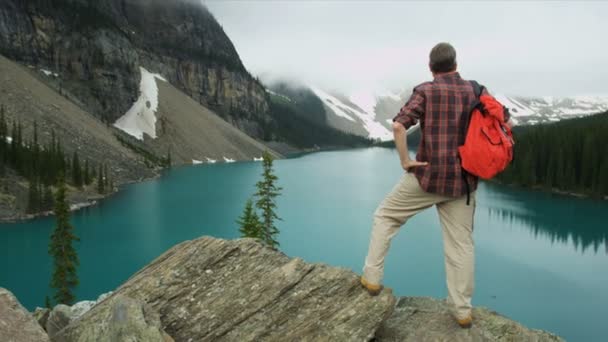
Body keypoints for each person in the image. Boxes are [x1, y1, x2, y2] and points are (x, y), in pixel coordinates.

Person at [360, 42, 511, 329]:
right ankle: (462, 310)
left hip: (427, 177)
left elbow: (398, 126)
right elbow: (505, 120)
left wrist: (406, 161)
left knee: (385, 216)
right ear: (456, 64)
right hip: (463, 182)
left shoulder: (426, 91)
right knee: (461, 245)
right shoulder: (475, 90)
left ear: (431, 68)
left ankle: (372, 279)